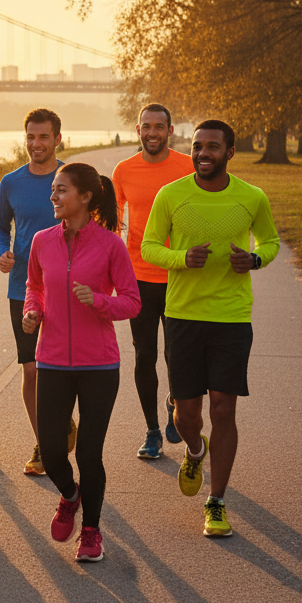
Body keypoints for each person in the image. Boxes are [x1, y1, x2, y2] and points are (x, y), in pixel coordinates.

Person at [142, 120, 279, 538]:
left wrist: (254, 261)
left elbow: (270, 242)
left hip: (231, 317)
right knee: (188, 415)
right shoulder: (171, 195)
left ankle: (216, 502)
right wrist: (183, 258)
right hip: (183, 314)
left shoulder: (252, 197)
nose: (203, 153)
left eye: (213, 147)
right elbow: (149, 247)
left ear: (230, 152)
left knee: (223, 407)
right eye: (198, 146)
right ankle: (195, 450)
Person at [22, 163, 140, 563]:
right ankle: (69, 496)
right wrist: (32, 312)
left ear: (86, 197)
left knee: (89, 453)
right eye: (53, 190)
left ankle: (91, 530)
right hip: (52, 359)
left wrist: (100, 301)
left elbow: (132, 301)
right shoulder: (42, 240)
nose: (53, 197)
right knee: (53, 452)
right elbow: (34, 286)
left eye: (61, 191)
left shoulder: (111, 245)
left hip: (99, 366)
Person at [0, 108, 76, 475]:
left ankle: (62, 423)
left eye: (43, 137)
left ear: (58, 139)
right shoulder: (10, 182)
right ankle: (44, 443)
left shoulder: (70, 179)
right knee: (31, 370)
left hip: (68, 289)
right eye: (30, 136)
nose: (35, 144)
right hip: (22, 287)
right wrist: (3, 252)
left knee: (61, 370)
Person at [111, 103, 194, 460]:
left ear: (170, 130)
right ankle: (152, 431)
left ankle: (175, 401)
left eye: (159, 126)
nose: (153, 133)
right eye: (147, 126)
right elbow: (111, 225)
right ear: (137, 129)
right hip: (139, 275)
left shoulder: (188, 167)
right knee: (144, 354)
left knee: (177, 353)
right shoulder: (123, 171)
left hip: (180, 276)